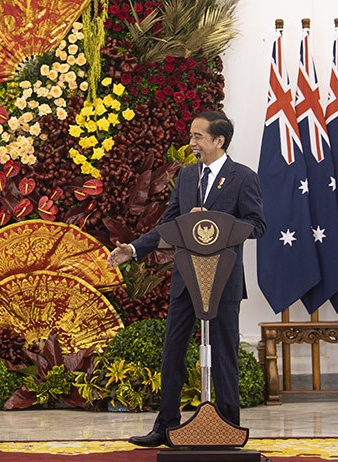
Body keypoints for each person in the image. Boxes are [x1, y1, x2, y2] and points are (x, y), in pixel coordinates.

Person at [107, 111, 266, 447]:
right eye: (191, 136)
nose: (191, 143)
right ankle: (165, 427)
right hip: (186, 278)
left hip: (223, 279)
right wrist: (134, 249)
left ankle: (227, 425)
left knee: (225, 353)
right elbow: (168, 225)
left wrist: (214, 220)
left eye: (198, 137)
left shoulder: (243, 178)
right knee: (172, 352)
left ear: (219, 140)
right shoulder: (187, 177)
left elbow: (257, 225)